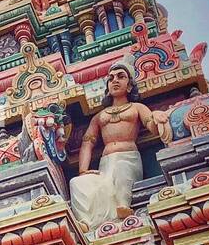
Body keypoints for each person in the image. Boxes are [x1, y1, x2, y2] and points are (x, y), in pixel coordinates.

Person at [68, 62, 170, 229]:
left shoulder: (136, 107)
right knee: (76, 183)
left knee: (122, 169)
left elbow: (150, 123)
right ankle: (86, 222)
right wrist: (82, 170)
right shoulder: (100, 116)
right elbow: (87, 142)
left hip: (128, 158)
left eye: (120, 77)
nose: (115, 80)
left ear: (129, 86)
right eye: (111, 78)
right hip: (105, 164)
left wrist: (159, 118)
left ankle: (123, 206)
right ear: (107, 87)